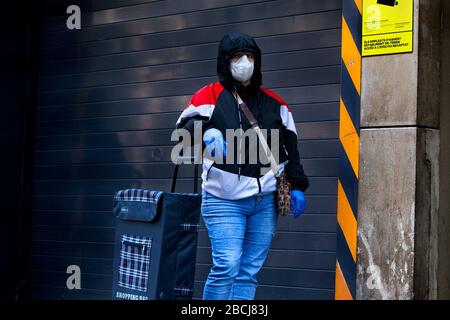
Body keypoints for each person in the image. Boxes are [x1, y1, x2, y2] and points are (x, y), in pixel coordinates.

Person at [175, 32, 309, 300]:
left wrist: (297, 185)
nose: (245, 62)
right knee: (227, 266)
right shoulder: (208, 96)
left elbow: (291, 150)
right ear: (226, 61)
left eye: (250, 56)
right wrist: (205, 133)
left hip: (265, 202)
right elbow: (182, 130)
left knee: (248, 271)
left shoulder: (276, 104)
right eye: (237, 57)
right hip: (224, 199)